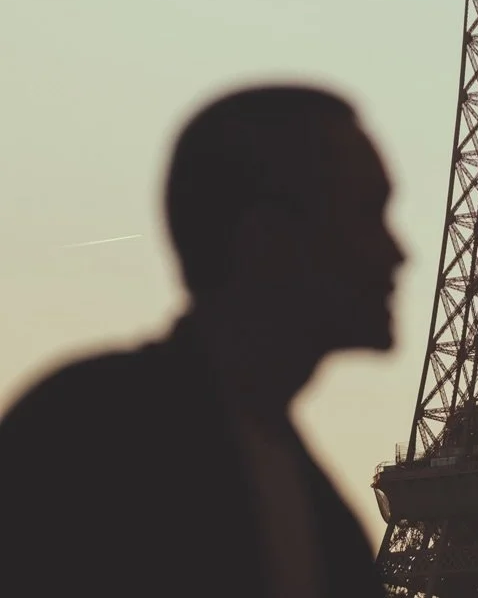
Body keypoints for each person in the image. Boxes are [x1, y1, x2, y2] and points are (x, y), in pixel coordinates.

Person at [0, 84, 404, 598]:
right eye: (368, 214)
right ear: (268, 242)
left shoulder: (78, 422)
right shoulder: (81, 433)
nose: (398, 251)